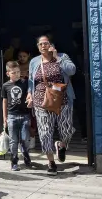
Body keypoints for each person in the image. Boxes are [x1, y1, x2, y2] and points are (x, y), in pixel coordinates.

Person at [28, 36, 76, 176]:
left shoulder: (62, 57)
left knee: (66, 130)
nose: (43, 46)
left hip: (62, 99)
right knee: (45, 132)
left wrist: (58, 59)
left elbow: (72, 71)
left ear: (52, 45)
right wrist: (30, 94)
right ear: (38, 47)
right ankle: (51, 162)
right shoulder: (34, 61)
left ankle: (61, 145)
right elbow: (31, 81)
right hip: (41, 100)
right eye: (41, 44)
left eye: (46, 43)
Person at [1, 61, 31, 171]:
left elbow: (30, 94)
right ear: (8, 73)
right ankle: (14, 161)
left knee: (24, 139)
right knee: (13, 140)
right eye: (14, 72)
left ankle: (26, 154)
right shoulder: (5, 86)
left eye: (18, 72)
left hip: (25, 116)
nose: (17, 74)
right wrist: (5, 117)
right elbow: (4, 102)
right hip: (12, 116)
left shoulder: (25, 82)